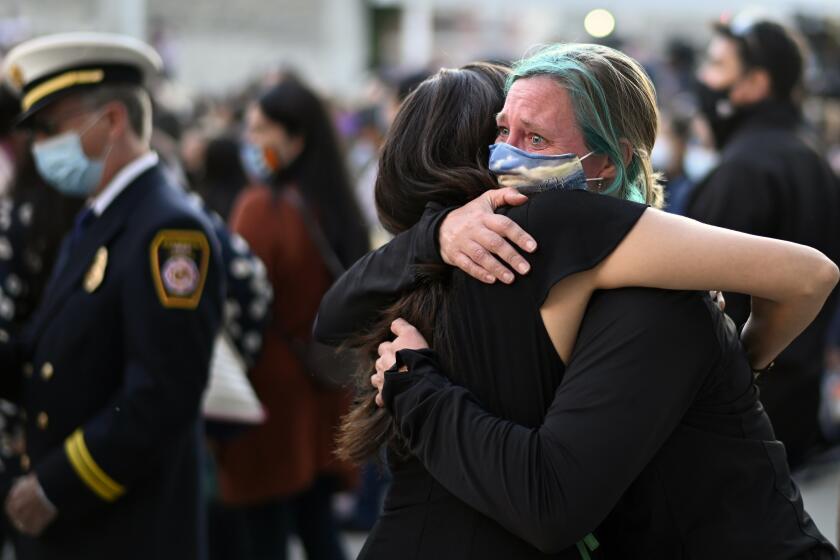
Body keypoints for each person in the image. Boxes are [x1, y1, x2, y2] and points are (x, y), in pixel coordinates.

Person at [316, 45, 839, 558]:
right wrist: (437, 233)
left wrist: (736, 365)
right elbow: (333, 314)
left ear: (608, 164)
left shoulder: (558, 220)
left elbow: (811, 274)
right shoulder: (495, 246)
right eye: (501, 132)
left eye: (536, 138)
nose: (507, 154)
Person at [0, 32, 224, 559]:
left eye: (50, 128)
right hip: (82, 526)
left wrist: (57, 483)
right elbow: (45, 354)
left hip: (124, 528)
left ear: (113, 121)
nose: (38, 147)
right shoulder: (99, 220)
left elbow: (161, 395)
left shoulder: (170, 231)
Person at [213, 75, 368, 560]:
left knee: (264, 537)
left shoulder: (263, 206)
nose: (250, 141)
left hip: (269, 400)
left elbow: (235, 298)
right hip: (326, 389)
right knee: (318, 527)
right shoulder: (339, 205)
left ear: (296, 138)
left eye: (262, 131)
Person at [686, 15, 840, 468]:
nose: (704, 80)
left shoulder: (744, 170)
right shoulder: (805, 153)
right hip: (791, 402)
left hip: (739, 413)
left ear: (754, 82)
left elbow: (699, 299)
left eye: (716, 65)